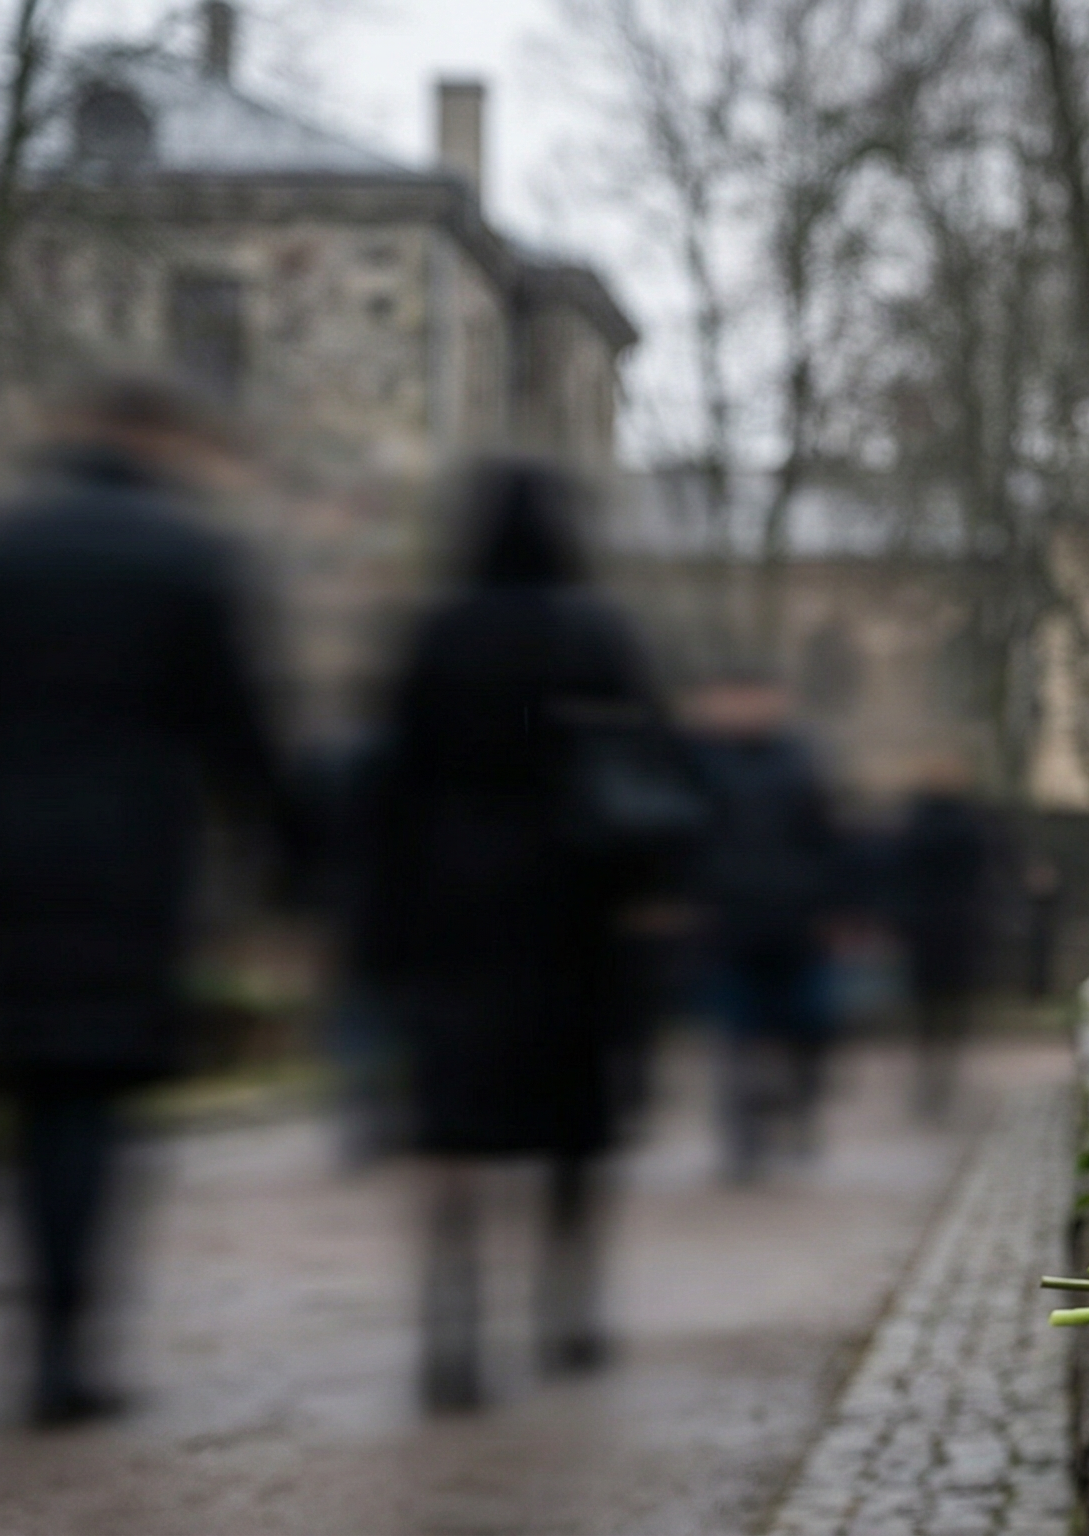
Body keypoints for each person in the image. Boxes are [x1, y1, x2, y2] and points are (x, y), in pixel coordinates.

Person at [0, 376, 298, 1427]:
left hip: (2, 852)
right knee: (92, 1097)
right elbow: (240, 728)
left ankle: (37, 1327)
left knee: (35, 1091)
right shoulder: (185, 554)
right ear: (157, 443)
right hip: (127, 857)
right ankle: (69, 1341)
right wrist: (283, 855)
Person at [352, 458, 666, 1412]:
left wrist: (380, 923)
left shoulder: (437, 633)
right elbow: (654, 769)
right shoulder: (597, 632)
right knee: (572, 1120)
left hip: (457, 907)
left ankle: (452, 1329)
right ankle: (565, 1312)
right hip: (575, 907)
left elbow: (390, 782)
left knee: (454, 1126)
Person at [684, 673, 843, 1181]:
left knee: (804, 1025)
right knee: (736, 1033)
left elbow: (826, 836)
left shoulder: (800, 760)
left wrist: (833, 906)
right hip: (729, 917)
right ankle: (743, 1142)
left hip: (795, 916)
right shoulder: (699, 762)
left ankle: (796, 1111)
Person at [888, 757, 991, 1120]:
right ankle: (939, 1065)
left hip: (932, 925)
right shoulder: (967, 822)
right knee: (946, 1001)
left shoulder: (918, 822)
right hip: (951, 924)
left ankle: (934, 1066)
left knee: (932, 1003)